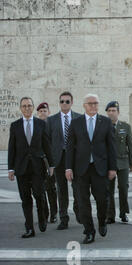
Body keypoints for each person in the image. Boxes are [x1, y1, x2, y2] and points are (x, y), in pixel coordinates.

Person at [65, 94, 117, 244]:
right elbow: (70, 148)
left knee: (102, 199)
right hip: (80, 169)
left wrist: (112, 168)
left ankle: (102, 221)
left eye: (96, 103)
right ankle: (89, 231)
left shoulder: (106, 122)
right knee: (82, 201)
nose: (93, 106)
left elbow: (111, 147)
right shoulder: (75, 123)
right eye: (90, 103)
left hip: (99, 168)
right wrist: (68, 167)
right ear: (84, 105)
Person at [8, 97, 54, 238]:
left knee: (39, 195)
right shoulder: (15, 125)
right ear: (21, 108)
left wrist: (51, 165)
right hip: (21, 168)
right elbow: (12, 148)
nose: (27, 108)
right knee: (25, 199)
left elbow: (47, 145)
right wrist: (11, 169)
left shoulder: (40, 124)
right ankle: (29, 228)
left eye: (29, 106)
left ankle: (42, 219)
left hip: (37, 167)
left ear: (33, 108)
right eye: (24, 106)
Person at [47, 92, 82, 230]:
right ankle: (63, 218)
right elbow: (48, 142)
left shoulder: (79, 118)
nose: (64, 104)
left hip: (75, 159)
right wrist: (51, 162)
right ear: (59, 102)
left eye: (67, 101)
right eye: (62, 101)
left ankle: (78, 210)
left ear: (72, 102)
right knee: (61, 190)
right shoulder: (51, 120)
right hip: (59, 159)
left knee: (78, 188)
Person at [105, 101, 132, 224]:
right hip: (108, 163)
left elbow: (131, 146)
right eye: (109, 111)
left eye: (114, 111)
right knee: (109, 190)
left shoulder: (125, 127)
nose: (111, 113)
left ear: (118, 112)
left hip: (123, 162)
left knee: (123, 187)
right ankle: (110, 215)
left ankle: (123, 212)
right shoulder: (103, 126)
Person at [37, 102, 58, 224]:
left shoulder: (53, 125)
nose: (43, 113)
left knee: (51, 188)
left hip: (50, 162)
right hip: (39, 161)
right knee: (40, 189)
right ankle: (44, 213)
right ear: (38, 113)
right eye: (40, 111)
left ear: (48, 112)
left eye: (45, 111)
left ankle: (53, 214)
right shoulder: (35, 125)